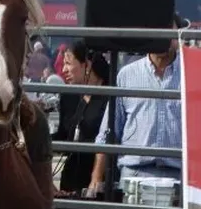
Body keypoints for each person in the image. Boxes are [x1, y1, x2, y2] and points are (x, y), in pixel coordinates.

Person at [88, 14, 188, 194]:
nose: (163, 36)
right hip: (134, 176)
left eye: (169, 29)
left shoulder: (192, 74)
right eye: (158, 30)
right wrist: (95, 179)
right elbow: (108, 132)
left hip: (179, 175)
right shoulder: (127, 75)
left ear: (178, 34)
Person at [53, 40, 109, 195]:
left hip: (99, 181)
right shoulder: (69, 97)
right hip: (70, 181)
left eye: (69, 63)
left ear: (87, 65)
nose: (63, 69)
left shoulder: (111, 94)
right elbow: (63, 135)